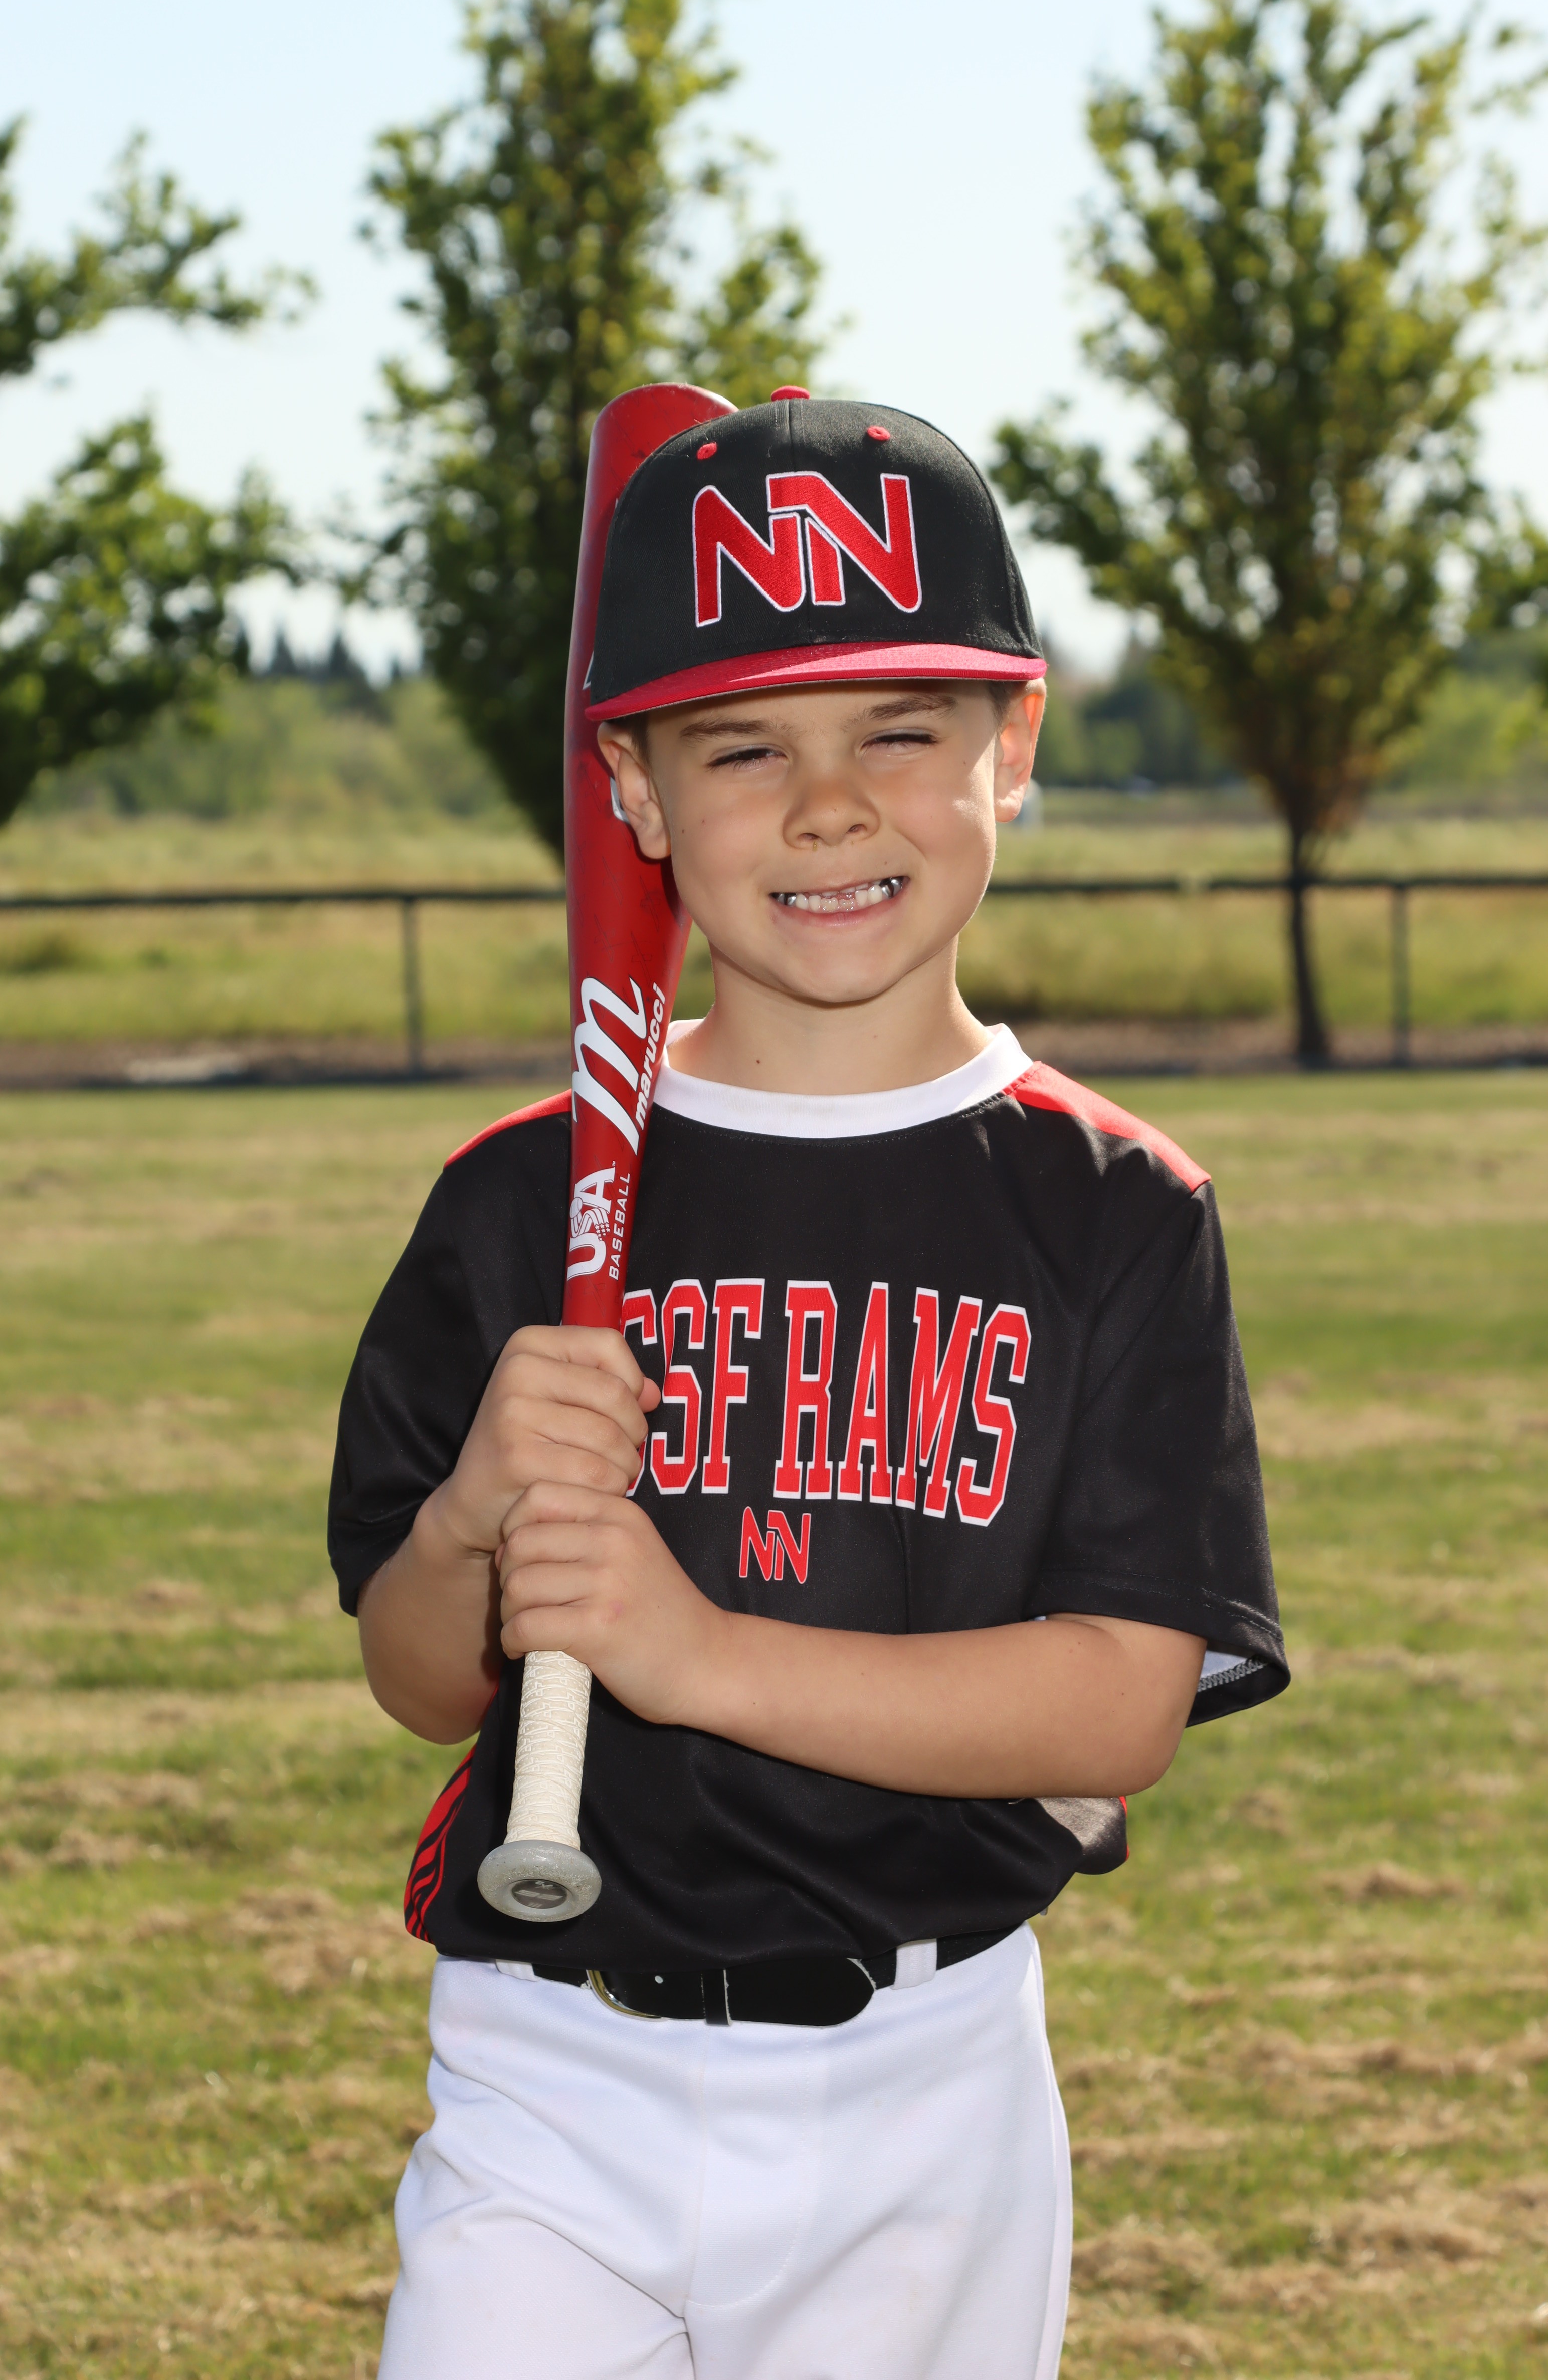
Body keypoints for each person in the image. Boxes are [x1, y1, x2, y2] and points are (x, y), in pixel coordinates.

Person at [329, 394, 1289, 2380]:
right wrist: (472, 1520)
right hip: (549, 2067)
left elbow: (1118, 1705)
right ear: (635, 786)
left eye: (900, 732)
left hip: (920, 2086)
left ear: (1012, 747)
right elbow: (422, 1679)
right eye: (745, 746)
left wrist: (693, 1655)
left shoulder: (1113, 1212)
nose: (830, 806)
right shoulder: (519, 1199)